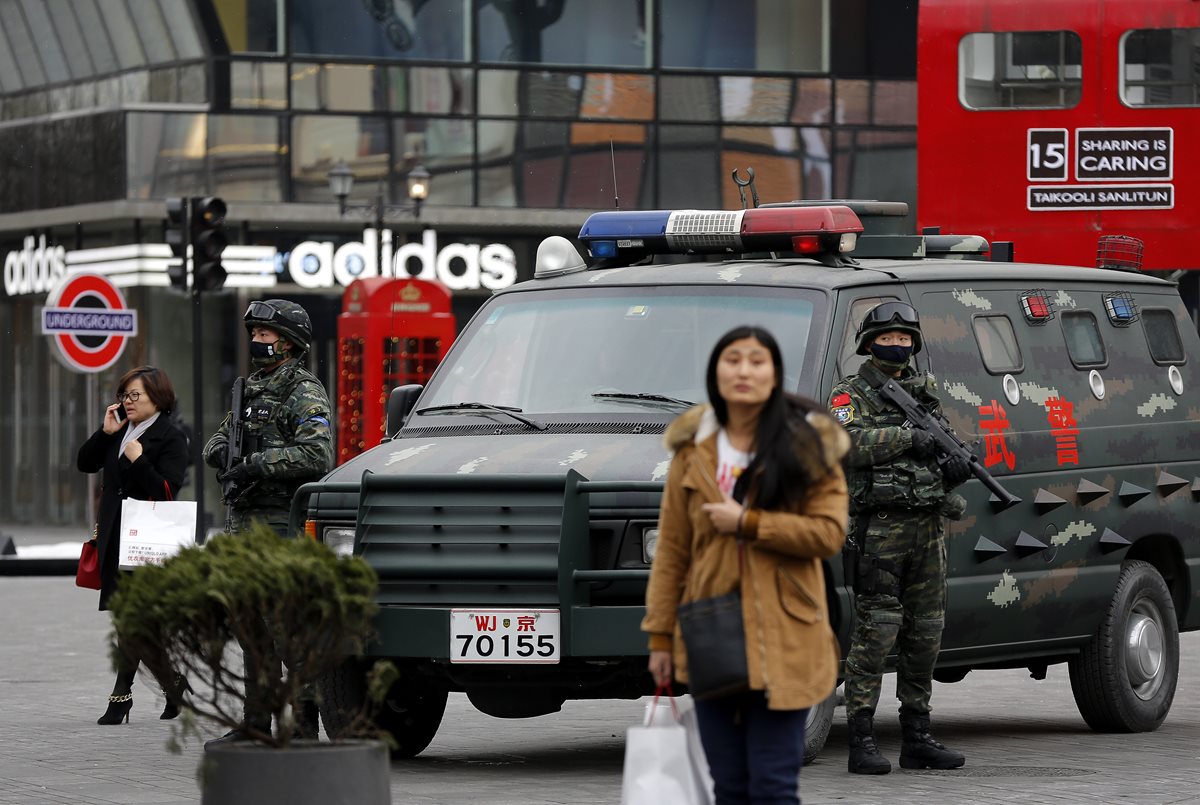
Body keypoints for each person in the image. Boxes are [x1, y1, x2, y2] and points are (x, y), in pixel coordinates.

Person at [643, 326, 850, 805]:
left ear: (775, 374)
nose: (744, 371)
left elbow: (827, 533)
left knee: (773, 786)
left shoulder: (807, 446)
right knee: (729, 786)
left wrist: (750, 523)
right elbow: (672, 551)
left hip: (788, 634)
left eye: (757, 361)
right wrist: (659, 637)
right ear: (715, 372)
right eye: (732, 360)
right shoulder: (692, 452)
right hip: (711, 633)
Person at [828, 301, 972, 774]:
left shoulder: (923, 394)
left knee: (926, 634)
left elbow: (941, 446)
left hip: (927, 529)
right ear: (869, 345)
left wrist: (953, 466)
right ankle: (862, 740)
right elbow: (844, 444)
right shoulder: (850, 394)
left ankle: (918, 737)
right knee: (876, 633)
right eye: (887, 339)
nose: (897, 345)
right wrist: (907, 438)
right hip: (880, 530)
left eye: (904, 338)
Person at [201, 299, 334, 744]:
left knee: (285, 631)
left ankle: (302, 726)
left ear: (288, 342)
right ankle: (256, 722)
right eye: (254, 334)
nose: (256, 341)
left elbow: (317, 454)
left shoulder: (302, 390)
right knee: (250, 630)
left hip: (280, 527)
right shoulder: (250, 389)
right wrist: (222, 452)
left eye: (264, 335)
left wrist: (257, 463)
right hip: (243, 526)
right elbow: (217, 439)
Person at [76, 365, 190, 725]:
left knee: (132, 619)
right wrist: (105, 433)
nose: (127, 401)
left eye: (134, 395)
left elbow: (167, 491)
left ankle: (120, 696)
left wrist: (139, 460)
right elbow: (85, 463)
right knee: (137, 622)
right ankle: (173, 685)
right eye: (123, 395)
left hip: (149, 541)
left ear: (157, 397)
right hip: (115, 537)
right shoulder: (120, 430)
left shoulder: (172, 437)